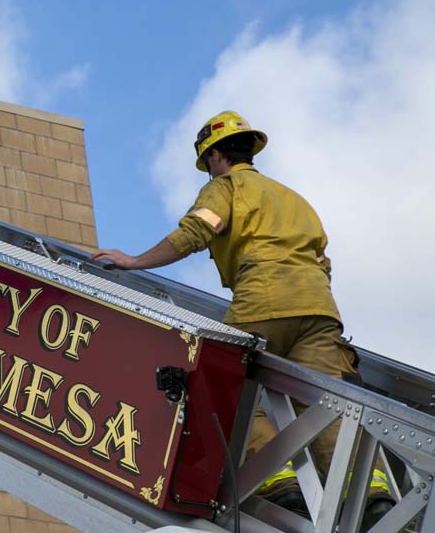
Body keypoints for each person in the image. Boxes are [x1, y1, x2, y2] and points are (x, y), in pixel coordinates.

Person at [92, 111, 392, 524]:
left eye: (207, 164)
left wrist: (136, 261)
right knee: (324, 405)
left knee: (225, 390)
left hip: (262, 299)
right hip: (319, 307)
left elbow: (195, 232)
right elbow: (323, 261)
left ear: (216, 156)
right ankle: (372, 497)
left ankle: (281, 483)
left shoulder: (227, 187)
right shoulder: (293, 199)